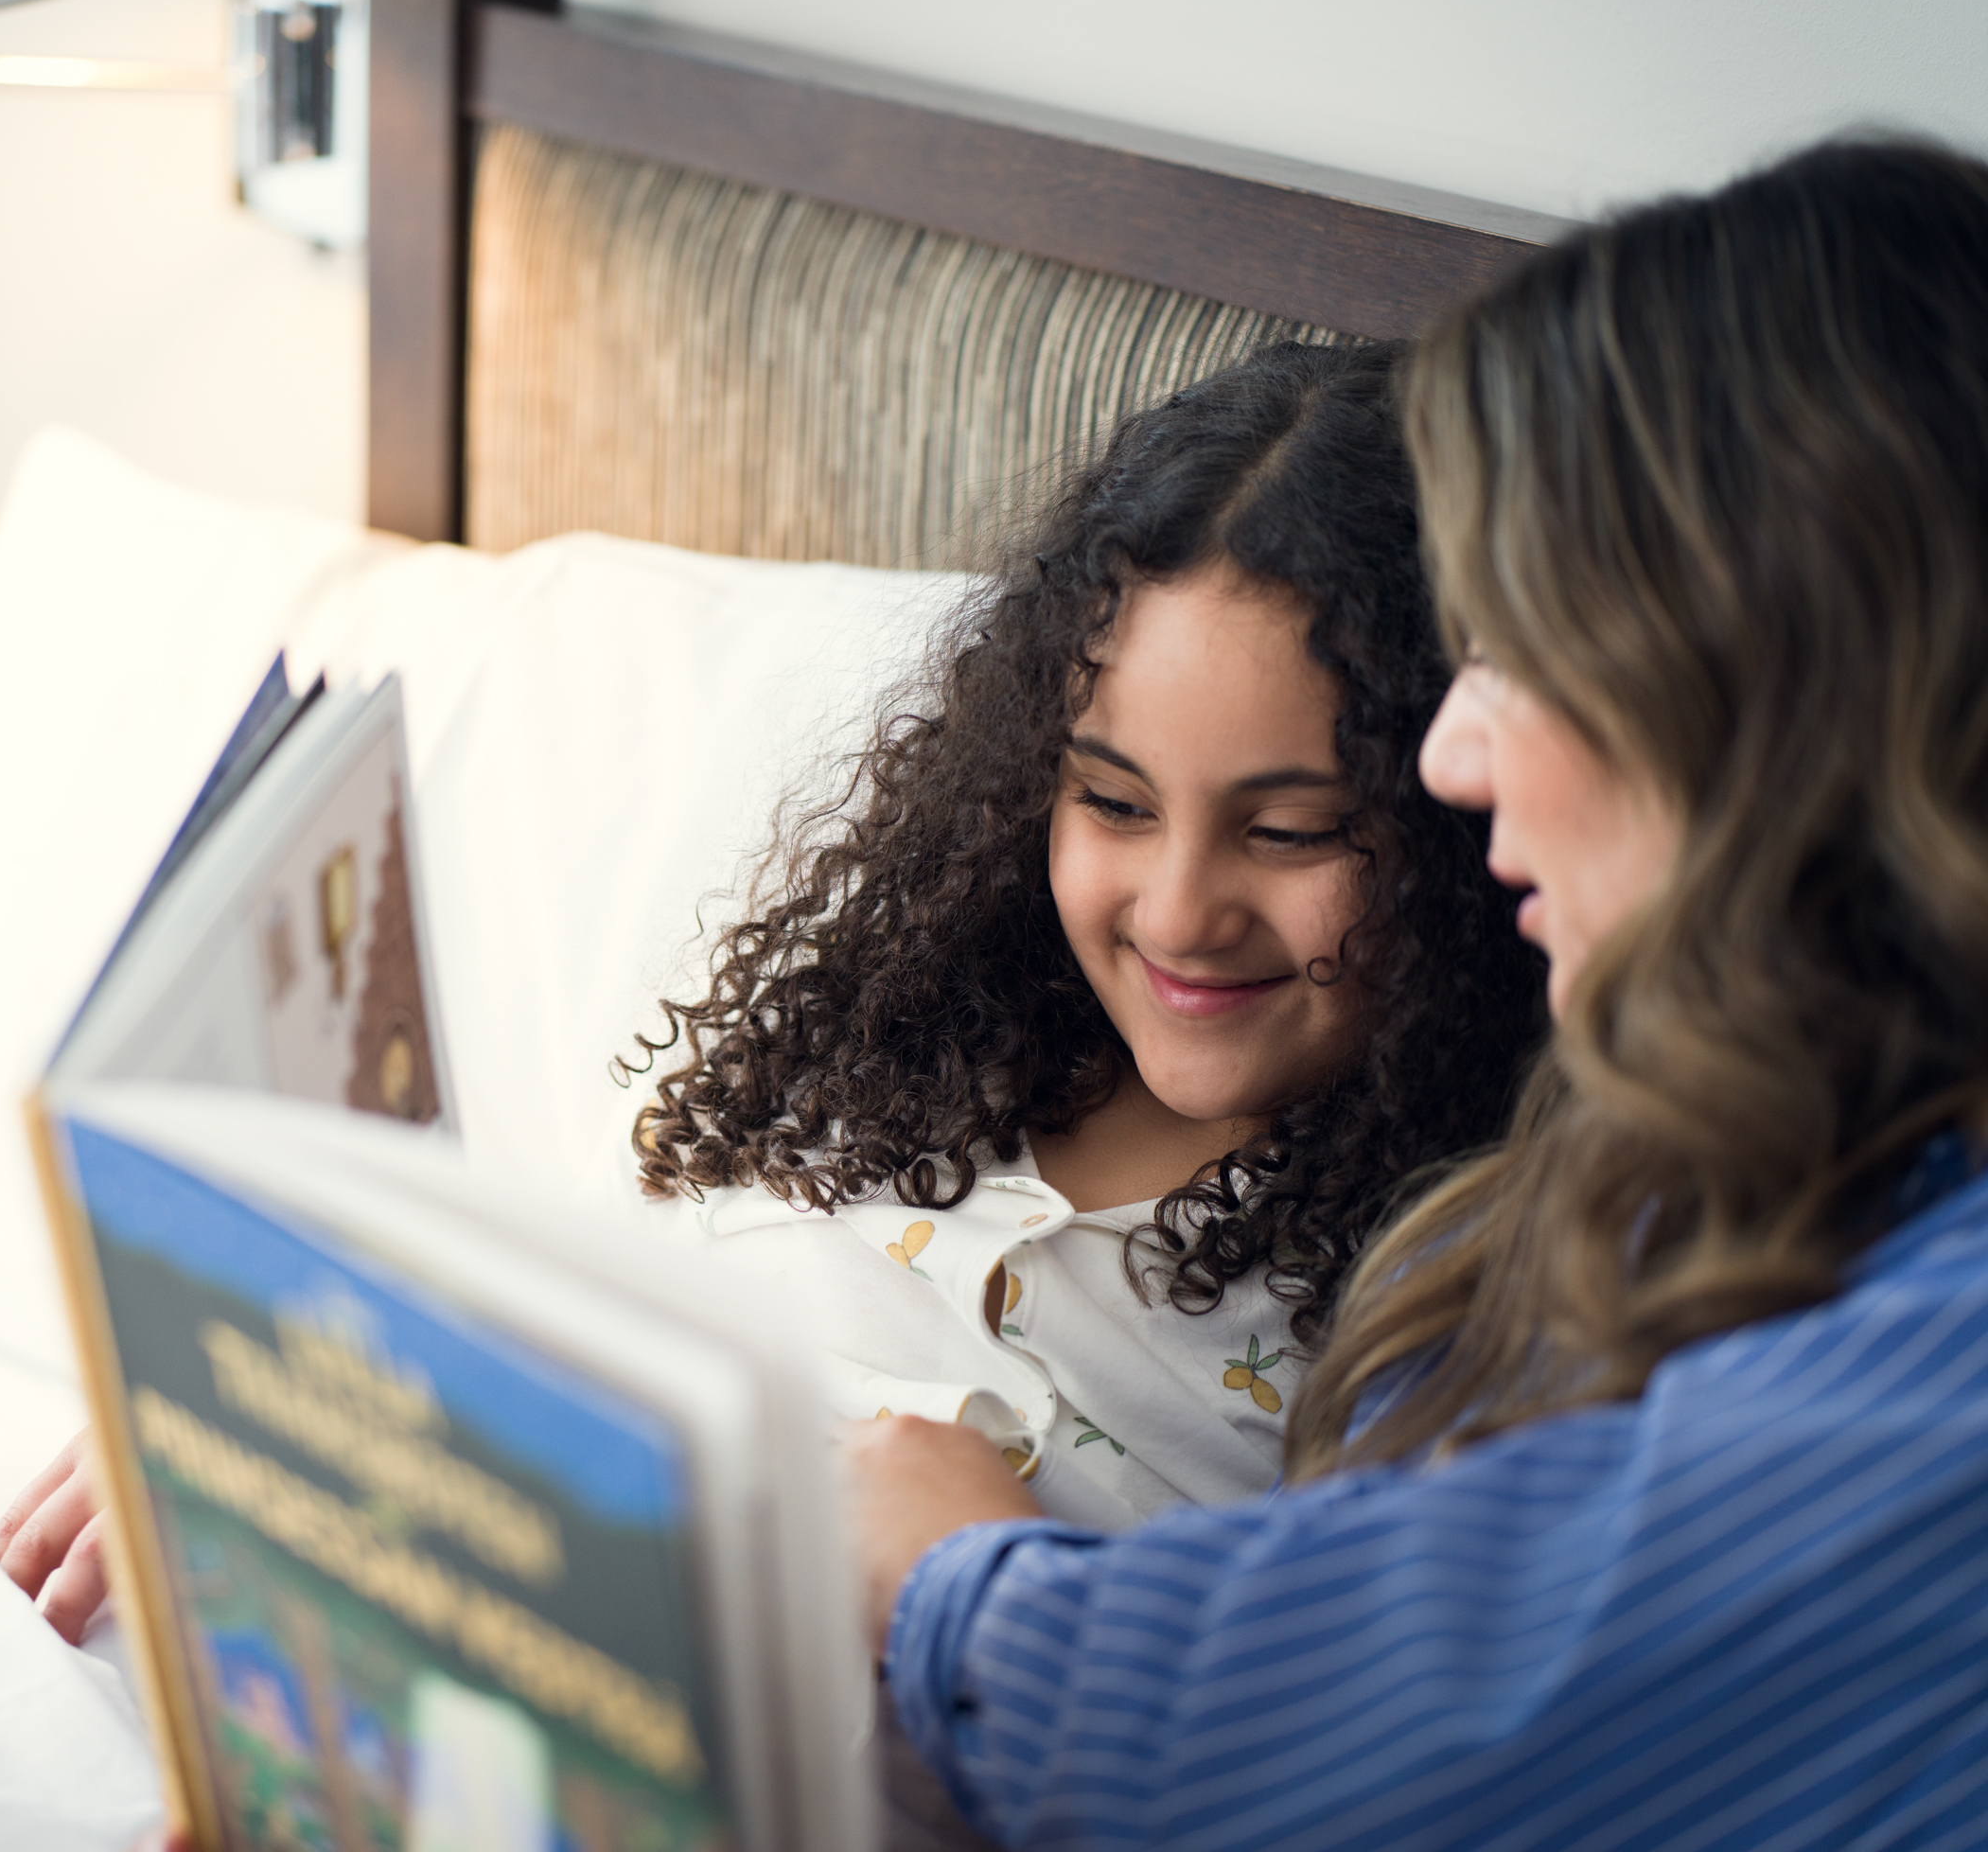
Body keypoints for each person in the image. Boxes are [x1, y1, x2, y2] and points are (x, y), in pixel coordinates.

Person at [848, 136, 1988, 1849]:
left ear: (1776, 700)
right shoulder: (1707, 1166)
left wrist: (947, 1568)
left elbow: (1260, 1740)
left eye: (1529, 655)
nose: (1455, 755)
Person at [631, 340, 1544, 1526]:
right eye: (1114, 803)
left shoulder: (1427, 1302)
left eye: (1292, 830)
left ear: (1469, 836)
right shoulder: (894, 1035)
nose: (1177, 913)